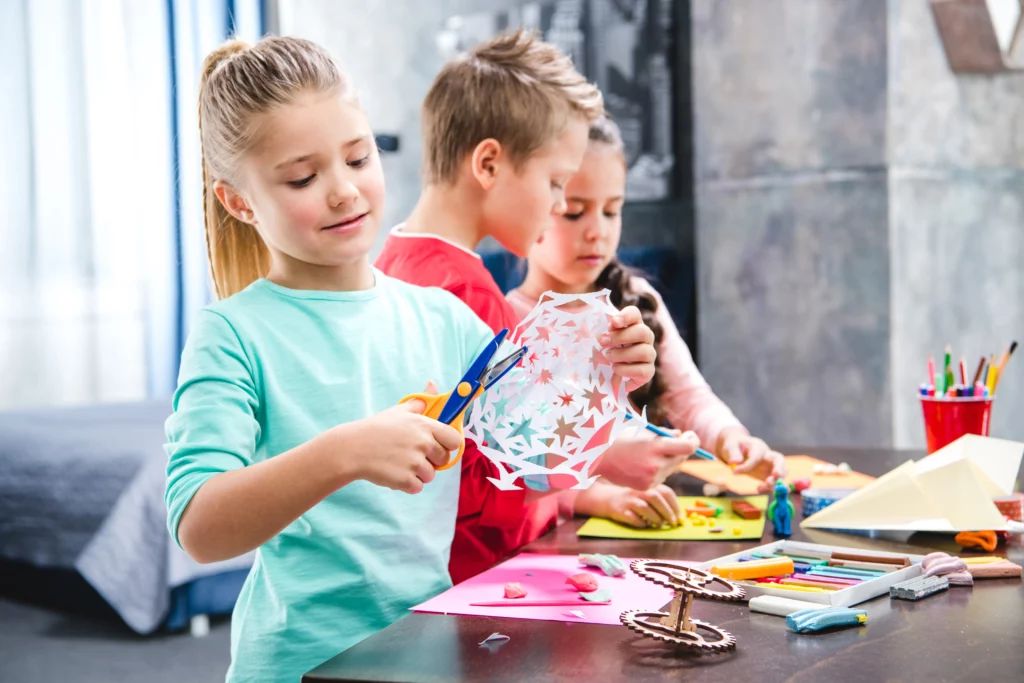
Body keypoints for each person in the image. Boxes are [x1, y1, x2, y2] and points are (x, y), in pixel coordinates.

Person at [164, 36, 497, 682]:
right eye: (303, 177)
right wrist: (345, 451)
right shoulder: (232, 334)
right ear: (238, 200)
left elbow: (532, 449)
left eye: (358, 157)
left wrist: (610, 419)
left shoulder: (446, 320)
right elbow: (198, 524)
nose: (345, 191)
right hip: (299, 668)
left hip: (427, 658)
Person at [376, 30, 699, 583]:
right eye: (555, 184)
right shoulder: (466, 297)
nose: (555, 206)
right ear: (489, 165)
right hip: (475, 586)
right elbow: (491, 479)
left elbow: (498, 443)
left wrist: (605, 382)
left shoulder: (397, 260)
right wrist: (602, 459)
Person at [507, 116, 788, 528]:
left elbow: (690, 399)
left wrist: (733, 439)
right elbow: (512, 460)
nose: (597, 232)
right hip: (550, 546)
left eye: (612, 211)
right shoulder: (504, 320)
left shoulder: (638, 300)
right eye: (574, 213)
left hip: (648, 535)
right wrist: (597, 497)